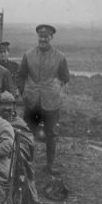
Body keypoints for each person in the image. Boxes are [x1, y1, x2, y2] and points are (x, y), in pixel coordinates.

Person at [18, 24, 70, 175]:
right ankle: (25, 164)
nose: (43, 39)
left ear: (51, 38)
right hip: (32, 100)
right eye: (41, 36)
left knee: (51, 133)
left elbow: (65, 77)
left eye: (46, 36)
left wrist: (56, 90)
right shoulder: (28, 54)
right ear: (37, 37)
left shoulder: (60, 56)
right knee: (27, 132)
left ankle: (50, 165)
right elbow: (21, 75)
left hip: (51, 101)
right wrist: (23, 92)